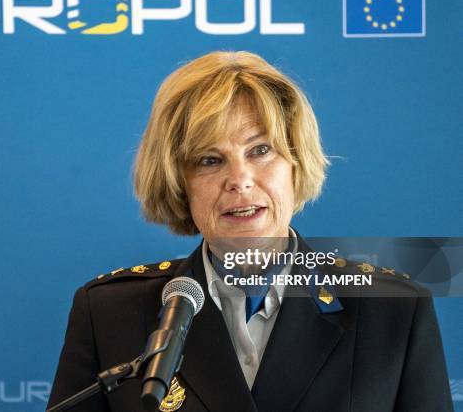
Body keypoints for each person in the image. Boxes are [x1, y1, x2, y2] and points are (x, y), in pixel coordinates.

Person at [46, 51, 453, 412]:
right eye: (209, 159)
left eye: (261, 150)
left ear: (296, 163)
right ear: (177, 182)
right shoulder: (109, 313)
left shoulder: (392, 309)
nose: (240, 180)